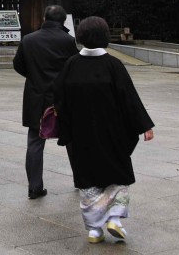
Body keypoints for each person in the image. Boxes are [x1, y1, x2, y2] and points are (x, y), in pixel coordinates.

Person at [53, 16, 155, 244]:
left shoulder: (70, 65)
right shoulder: (113, 65)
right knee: (117, 175)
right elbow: (129, 99)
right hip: (113, 134)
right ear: (105, 37)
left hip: (81, 136)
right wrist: (144, 125)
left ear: (80, 37)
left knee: (88, 181)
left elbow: (59, 100)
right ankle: (115, 219)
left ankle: (94, 230)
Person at [12, 4, 78, 200]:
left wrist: (34, 77)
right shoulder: (68, 40)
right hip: (62, 97)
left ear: (44, 18)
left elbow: (18, 65)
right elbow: (74, 67)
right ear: (63, 21)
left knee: (35, 141)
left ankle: (35, 187)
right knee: (72, 139)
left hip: (36, 96)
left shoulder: (28, 40)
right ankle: (80, 179)